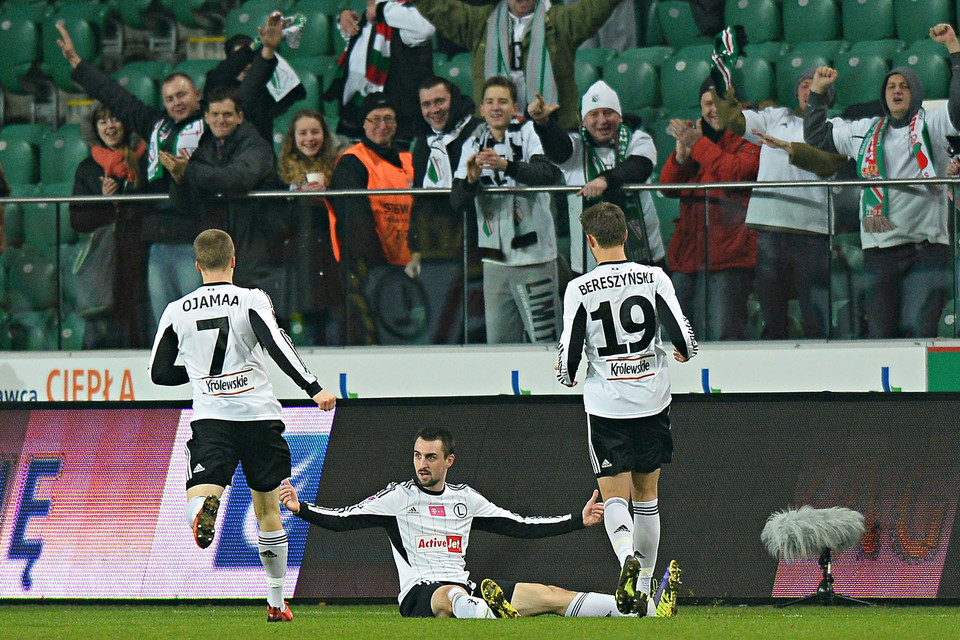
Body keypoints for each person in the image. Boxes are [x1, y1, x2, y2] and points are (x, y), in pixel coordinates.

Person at [279, 426, 680, 618]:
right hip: (421, 593)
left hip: (472, 588)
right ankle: (486, 612)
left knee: (553, 594)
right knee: (449, 597)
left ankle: (640, 611)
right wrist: (302, 508)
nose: (422, 464)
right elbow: (346, 519)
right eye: (418, 456)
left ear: (448, 461)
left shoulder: (464, 499)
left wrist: (578, 520)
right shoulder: (398, 497)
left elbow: (520, 525)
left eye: (431, 457)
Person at [148, 229, 336, 622]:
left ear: (197, 265)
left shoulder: (176, 310)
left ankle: (203, 509)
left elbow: (159, 373)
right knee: (268, 510)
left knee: (197, 495)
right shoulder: (250, 298)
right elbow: (277, 344)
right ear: (233, 261)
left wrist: (200, 374)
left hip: (213, 419)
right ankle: (275, 601)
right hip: (259, 418)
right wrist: (313, 388)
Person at [556, 201, 695, 615]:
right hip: (652, 401)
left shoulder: (579, 289)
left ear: (590, 241)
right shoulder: (653, 277)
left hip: (607, 406)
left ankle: (625, 562)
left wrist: (571, 377)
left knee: (613, 496)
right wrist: (682, 353)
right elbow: (684, 335)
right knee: (647, 495)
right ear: (627, 235)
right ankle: (647, 588)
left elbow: (567, 363)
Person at [803, 24, 960, 338]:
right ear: (884, 96)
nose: (897, 91)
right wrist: (818, 93)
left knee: (919, 330)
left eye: (904, 86)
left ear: (915, 93)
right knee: (881, 334)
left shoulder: (934, 122)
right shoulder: (864, 129)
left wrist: (954, 50)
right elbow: (816, 137)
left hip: (926, 249)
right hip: (879, 251)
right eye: (891, 87)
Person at [57, 24, 211, 329]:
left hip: (195, 238)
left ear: (196, 95)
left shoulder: (214, 128)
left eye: (182, 95)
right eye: (169, 99)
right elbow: (117, 98)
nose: (176, 103)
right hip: (158, 241)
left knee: (200, 328)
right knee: (164, 329)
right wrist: (78, 64)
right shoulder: (155, 125)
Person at [714, 69, 848, 339]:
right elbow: (733, 120)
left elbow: (826, 164)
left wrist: (789, 148)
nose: (808, 90)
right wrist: (722, 79)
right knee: (772, 314)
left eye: (815, 86)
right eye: (804, 85)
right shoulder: (776, 117)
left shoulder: (836, 126)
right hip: (770, 228)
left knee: (815, 316)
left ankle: (823, 376)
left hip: (812, 232)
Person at [159, 87, 288, 324]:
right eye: (215, 114)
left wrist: (188, 172)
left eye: (227, 114)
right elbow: (185, 204)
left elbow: (236, 180)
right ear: (206, 118)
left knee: (260, 325)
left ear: (240, 117)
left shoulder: (256, 146)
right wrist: (179, 181)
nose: (221, 120)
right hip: (220, 253)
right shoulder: (202, 150)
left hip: (258, 250)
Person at [451, 76, 563, 344]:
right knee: (500, 347)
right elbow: (456, 202)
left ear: (515, 108)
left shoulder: (529, 133)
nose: (495, 107)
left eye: (503, 101)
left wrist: (507, 167)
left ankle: (555, 388)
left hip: (534, 259)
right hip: (495, 261)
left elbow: (548, 174)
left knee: (546, 343)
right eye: (489, 102)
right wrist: (470, 181)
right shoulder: (473, 142)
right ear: (481, 110)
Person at [411, 0, 622, 129]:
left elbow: (597, 6)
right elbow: (438, 7)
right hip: (494, 131)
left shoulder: (560, 22)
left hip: (551, 128)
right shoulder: (479, 23)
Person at [529, 80, 665, 276]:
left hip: (644, 257)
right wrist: (544, 124)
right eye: (594, 114)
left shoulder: (639, 139)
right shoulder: (575, 146)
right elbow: (558, 150)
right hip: (589, 264)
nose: (602, 120)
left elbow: (638, 167)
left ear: (619, 117)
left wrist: (604, 181)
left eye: (608, 113)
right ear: (584, 121)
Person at [659, 77, 760, 341]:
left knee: (724, 333)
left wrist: (699, 145)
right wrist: (681, 157)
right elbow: (668, 188)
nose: (713, 109)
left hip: (729, 255)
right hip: (689, 252)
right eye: (707, 103)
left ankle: (731, 383)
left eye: (719, 102)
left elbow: (736, 173)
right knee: (677, 334)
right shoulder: (698, 138)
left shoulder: (751, 136)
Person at [329, 92, 415, 345]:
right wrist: (374, 262)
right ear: (363, 123)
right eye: (375, 119)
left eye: (388, 119)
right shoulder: (352, 162)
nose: (382, 125)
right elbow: (354, 222)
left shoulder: (409, 159)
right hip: (373, 268)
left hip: (410, 265)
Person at [405, 77, 484, 342]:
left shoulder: (478, 131)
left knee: (476, 325)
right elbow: (419, 198)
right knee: (442, 326)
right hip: (437, 250)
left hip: (476, 247)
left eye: (440, 101)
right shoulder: (423, 140)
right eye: (426, 104)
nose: (434, 110)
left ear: (455, 100)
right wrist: (415, 249)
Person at [70, 103, 150, 348]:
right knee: (99, 335)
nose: (110, 126)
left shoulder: (145, 161)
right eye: (103, 121)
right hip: (104, 266)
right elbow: (78, 221)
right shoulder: (87, 168)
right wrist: (106, 203)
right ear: (95, 128)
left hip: (140, 261)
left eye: (115, 119)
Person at [278, 109, 349, 345]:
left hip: (333, 255)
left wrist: (329, 194)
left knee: (335, 318)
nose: (309, 138)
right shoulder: (282, 172)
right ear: (293, 138)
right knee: (306, 321)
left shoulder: (340, 166)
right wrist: (300, 199)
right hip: (298, 259)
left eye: (315, 132)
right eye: (303, 133)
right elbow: (277, 219)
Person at [330, 0, 435, 146]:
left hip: (396, 128)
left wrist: (381, 9)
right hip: (358, 119)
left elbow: (425, 30)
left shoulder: (404, 13)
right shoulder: (367, 18)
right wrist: (344, 18)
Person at [204, 11, 306, 146]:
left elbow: (255, 82)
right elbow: (224, 78)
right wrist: (253, 47)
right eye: (241, 60)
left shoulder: (268, 90)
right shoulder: (216, 87)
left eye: (252, 60)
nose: (246, 66)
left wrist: (267, 49)